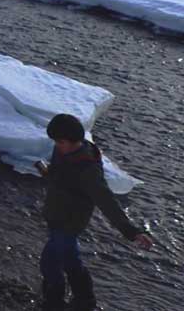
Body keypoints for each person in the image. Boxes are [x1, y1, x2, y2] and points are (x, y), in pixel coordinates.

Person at [37, 114, 154, 311]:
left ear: (74, 141)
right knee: (69, 260)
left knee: (50, 263)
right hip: (56, 215)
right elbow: (62, 177)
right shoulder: (64, 151)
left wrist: (131, 231)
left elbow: (106, 201)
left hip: (69, 222)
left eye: (60, 142)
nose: (56, 146)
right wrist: (49, 174)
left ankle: (55, 302)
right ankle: (84, 301)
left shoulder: (87, 170)